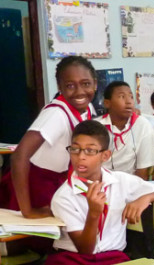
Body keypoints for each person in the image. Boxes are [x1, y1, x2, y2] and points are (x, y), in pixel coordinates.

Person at [45, 121, 154, 265]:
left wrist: (145, 198)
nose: (81, 157)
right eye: (75, 149)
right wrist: (94, 214)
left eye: (90, 150)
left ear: (105, 156)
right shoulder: (63, 196)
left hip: (113, 258)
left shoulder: (121, 181)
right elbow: (85, 250)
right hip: (73, 260)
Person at [0, 56, 97, 217]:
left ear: (95, 83)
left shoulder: (87, 109)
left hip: (59, 184)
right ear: (60, 87)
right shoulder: (56, 114)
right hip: (34, 186)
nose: (80, 91)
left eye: (86, 84)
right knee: (38, 240)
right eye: (70, 85)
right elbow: (19, 156)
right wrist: (28, 211)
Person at [95, 81, 154, 180]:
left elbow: (142, 170)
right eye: (122, 97)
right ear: (107, 103)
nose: (129, 101)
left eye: (131, 97)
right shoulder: (96, 127)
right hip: (100, 182)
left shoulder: (142, 125)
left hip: (130, 183)